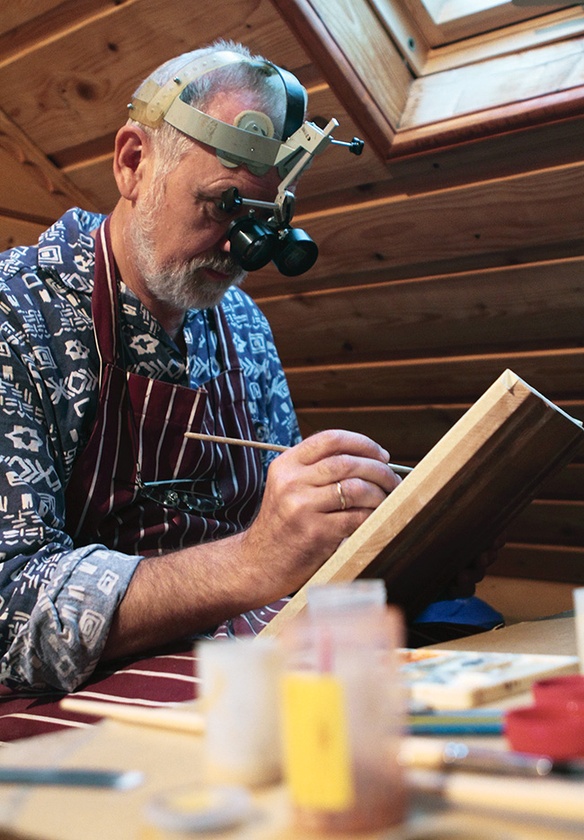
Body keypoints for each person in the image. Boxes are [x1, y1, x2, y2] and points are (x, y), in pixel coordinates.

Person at [0, 40, 493, 693]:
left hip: (248, 668)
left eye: (263, 220)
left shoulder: (242, 325)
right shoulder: (16, 317)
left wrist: (397, 543)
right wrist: (249, 565)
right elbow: (10, 610)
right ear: (133, 163)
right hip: (92, 698)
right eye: (223, 204)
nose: (240, 252)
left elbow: (286, 539)